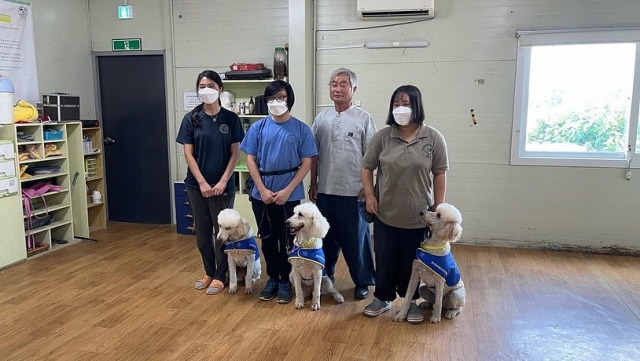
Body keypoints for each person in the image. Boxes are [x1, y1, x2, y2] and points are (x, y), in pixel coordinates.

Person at [360, 85, 449, 323]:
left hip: (418, 215)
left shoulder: (433, 138)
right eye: (396, 103)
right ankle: (382, 297)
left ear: (417, 106)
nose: (401, 108)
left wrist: (438, 209)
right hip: (386, 213)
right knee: (385, 257)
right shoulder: (383, 137)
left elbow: (439, 173)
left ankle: (411, 302)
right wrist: (370, 195)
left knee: (414, 262)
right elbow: (366, 167)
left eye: (406, 103)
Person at [239, 80, 317, 304]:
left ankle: (287, 279)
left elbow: (306, 162)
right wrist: (262, 189)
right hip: (261, 193)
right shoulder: (258, 127)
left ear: (289, 99)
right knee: (267, 238)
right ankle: (273, 277)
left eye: (281, 97)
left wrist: (287, 190)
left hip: (289, 195)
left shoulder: (301, 129)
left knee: (288, 240)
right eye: (271, 98)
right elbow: (250, 159)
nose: (276, 102)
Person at [308, 68, 376, 300]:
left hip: (353, 191)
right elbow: (313, 154)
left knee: (356, 240)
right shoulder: (321, 119)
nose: (337, 88)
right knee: (325, 238)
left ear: (353, 89)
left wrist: (368, 188)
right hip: (325, 190)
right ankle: (326, 277)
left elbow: (372, 158)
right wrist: (313, 182)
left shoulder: (364, 119)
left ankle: (363, 280)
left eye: (343, 84)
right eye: (333, 84)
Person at [176, 70, 244, 295]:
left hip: (223, 186)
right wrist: (202, 183)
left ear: (220, 89)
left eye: (211, 85)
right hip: (197, 186)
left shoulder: (230, 119)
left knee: (223, 232)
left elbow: (235, 153)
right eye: (202, 86)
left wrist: (224, 181)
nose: (206, 90)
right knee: (203, 232)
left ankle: (220, 275)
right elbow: (188, 154)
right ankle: (208, 271)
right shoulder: (191, 119)